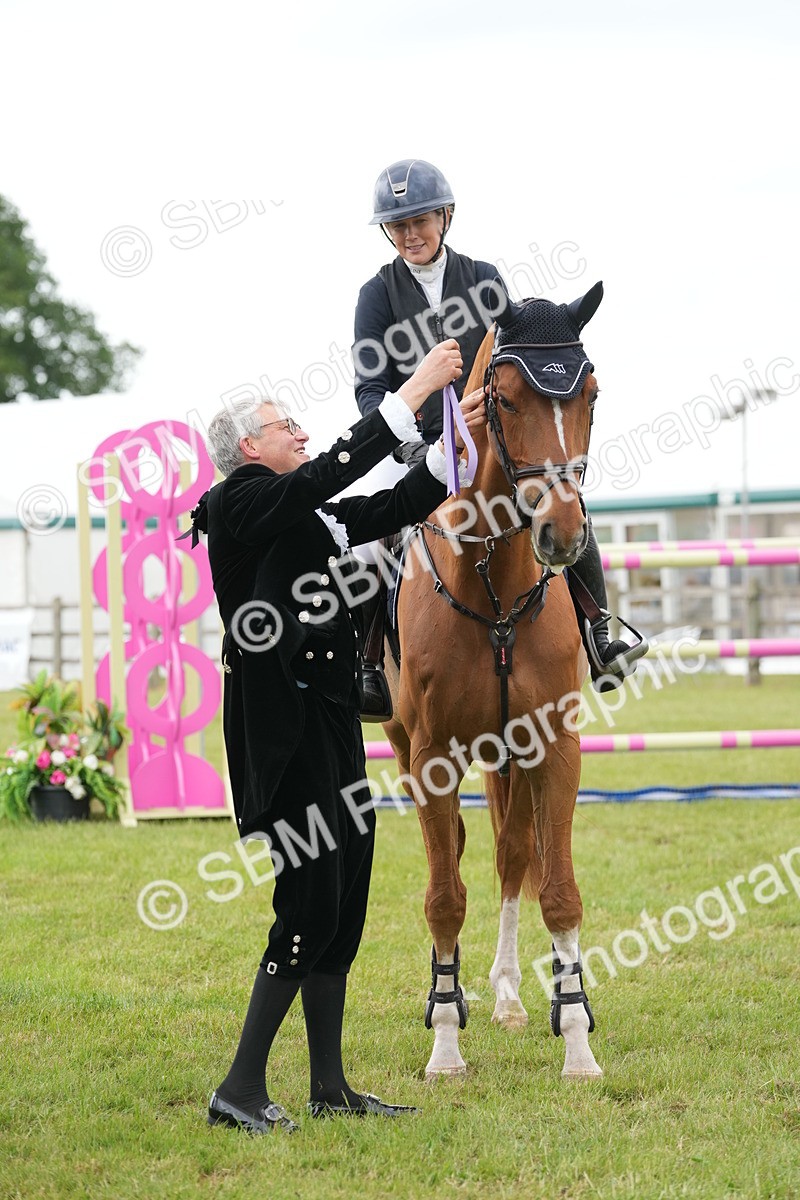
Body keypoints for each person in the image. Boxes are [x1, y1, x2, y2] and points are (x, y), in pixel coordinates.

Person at [188, 337, 483, 1135]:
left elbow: (388, 506)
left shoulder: (300, 510)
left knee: (344, 898)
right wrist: (412, 391)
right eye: (286, 425)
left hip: (329, 723)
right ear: (250, 446)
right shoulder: (239, 502)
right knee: (308, 904)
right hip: (282, 737)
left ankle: (329, 1087)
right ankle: (238, 1088)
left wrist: (459, 435)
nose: (302, 433)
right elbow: (326, 476)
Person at [352, 157, 646, 703]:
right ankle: (370, 661)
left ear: (445, 217)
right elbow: (369, 389)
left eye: (420, 221)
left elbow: (513, 362)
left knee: (563, 501)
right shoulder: (377, 294)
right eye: (398, 225)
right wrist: (409, 440)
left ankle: (598, 633)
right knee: (371, 541)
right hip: (412, 446)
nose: (410, 234)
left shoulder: (483, 279)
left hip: (485, 443)